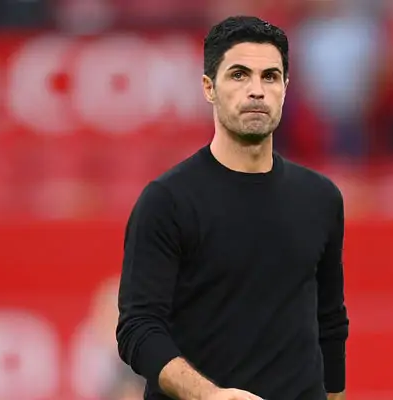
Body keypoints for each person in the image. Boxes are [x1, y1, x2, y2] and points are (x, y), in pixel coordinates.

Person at [116, 16, 349, 400]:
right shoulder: (167, 201)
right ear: (209, 87)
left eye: (270, 77)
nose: (256, 90)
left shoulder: (321, 198)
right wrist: (209, 396)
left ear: (285, 88)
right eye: (239, 75)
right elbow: (138, 329)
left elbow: (331, 323)